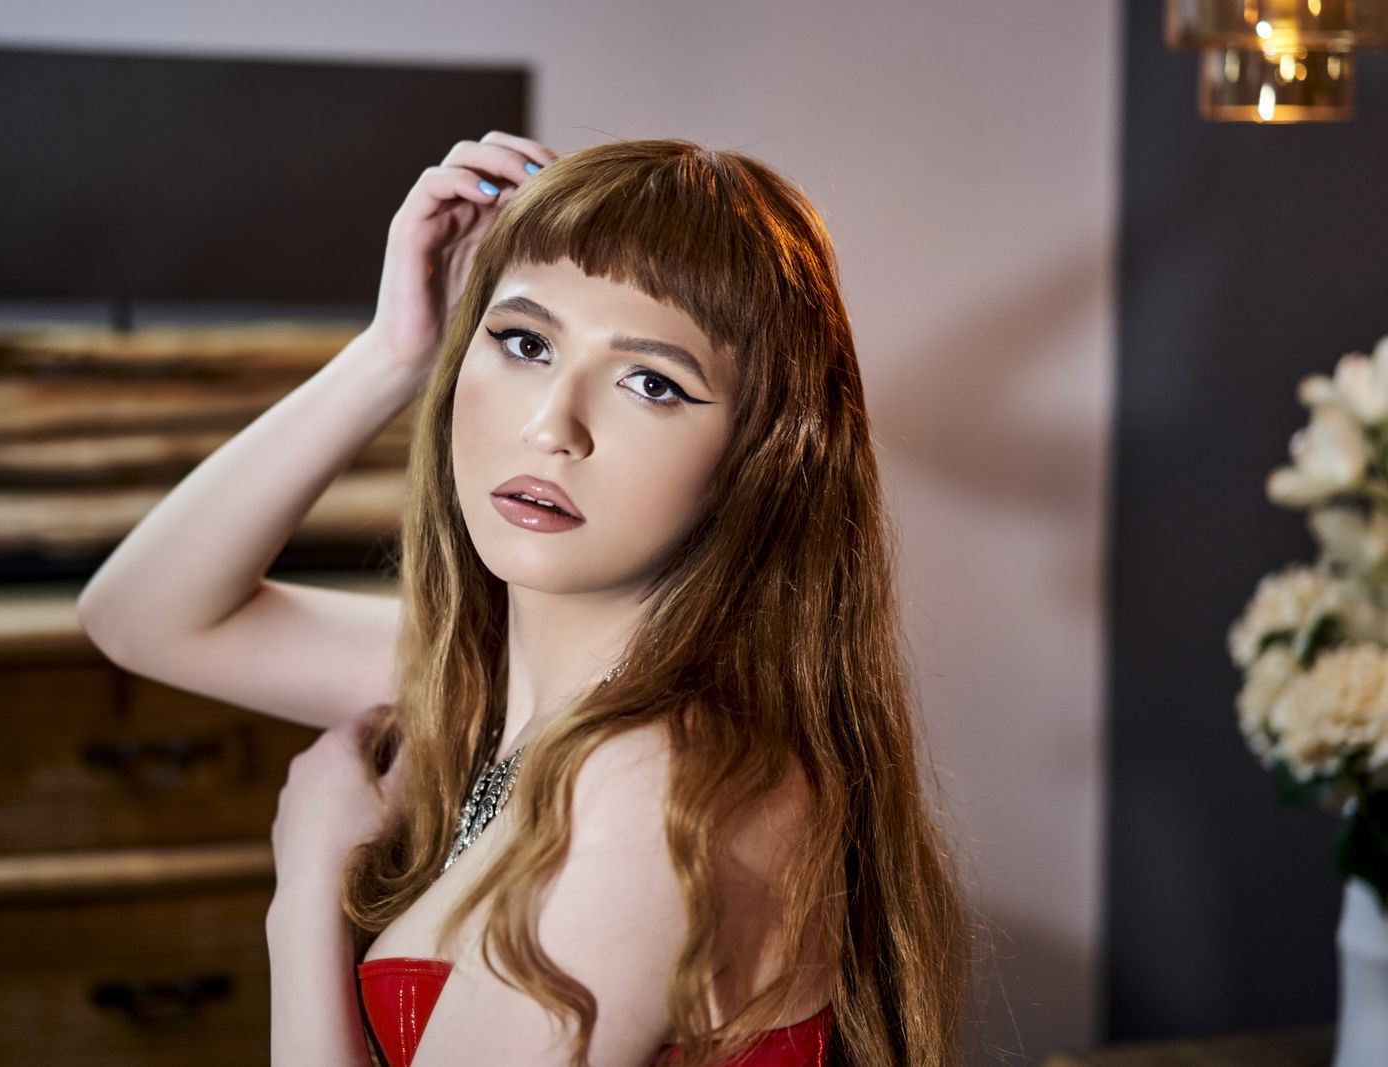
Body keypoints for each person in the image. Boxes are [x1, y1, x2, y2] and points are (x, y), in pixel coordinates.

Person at [77, 132, 973, 1067]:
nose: (552, 426)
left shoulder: (662, 788)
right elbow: (141, 616)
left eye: (652, 383)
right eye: (524, 341)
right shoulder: (502, 683)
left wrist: (305, 892)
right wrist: (392, 353)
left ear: (760, 460)